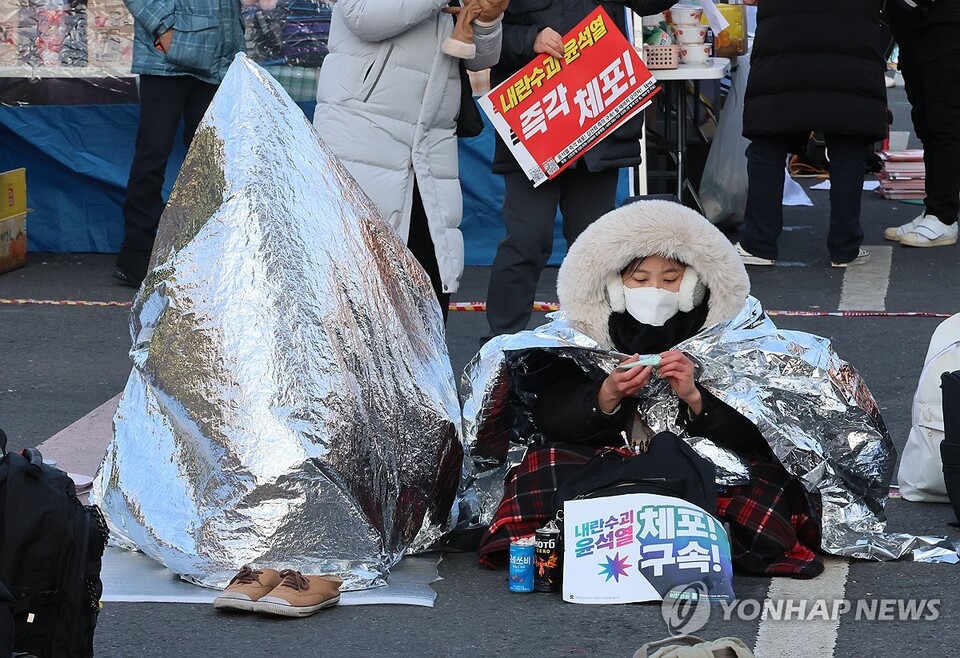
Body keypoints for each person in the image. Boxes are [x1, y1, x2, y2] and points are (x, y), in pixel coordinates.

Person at [477, 200, 825, 577]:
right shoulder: (580, 334)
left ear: (693, 285)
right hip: (608, 463)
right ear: (614, 285)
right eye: (640, 280)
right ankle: (691, 531)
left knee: (770, 488)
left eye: (671, 279)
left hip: (702, 464)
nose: (655, 290)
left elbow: (759, 433)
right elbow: (551, 415)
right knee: (540, 468)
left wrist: (696, 398)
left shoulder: (728, 336)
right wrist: (605, 395)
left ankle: (658, 532)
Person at [482, 0, 674, 342]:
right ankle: (500, 344)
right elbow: (481, 34)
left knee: (595, 248)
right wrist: (530, 39)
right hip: (536, 123)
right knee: (526, 241)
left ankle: (597, 340)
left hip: (599, 120)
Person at [314, 1, 504, 321]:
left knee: (429, 284)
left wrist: (489, 18)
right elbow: (363, 17)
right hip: (363, 129)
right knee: (356, 280)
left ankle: (425, 371)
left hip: (431, 140)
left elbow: (482, 59)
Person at [734, 0, 888, 268]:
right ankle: (845, 247)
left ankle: (758, 244)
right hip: (852, 34)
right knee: (848, 141)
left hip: (784, 36)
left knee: (769, 140)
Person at [114, 0, 245, 286]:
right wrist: (164, 28)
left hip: (218, 54)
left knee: (212, 158)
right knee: (153, 155)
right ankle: (138, 251)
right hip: (167, 60)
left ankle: (206, 248)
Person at [882, 0, 960, 248]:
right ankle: (934, 208)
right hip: (910, 21)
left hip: (945, 22)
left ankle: (944, 215)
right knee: (925, 122)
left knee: (944, 122)